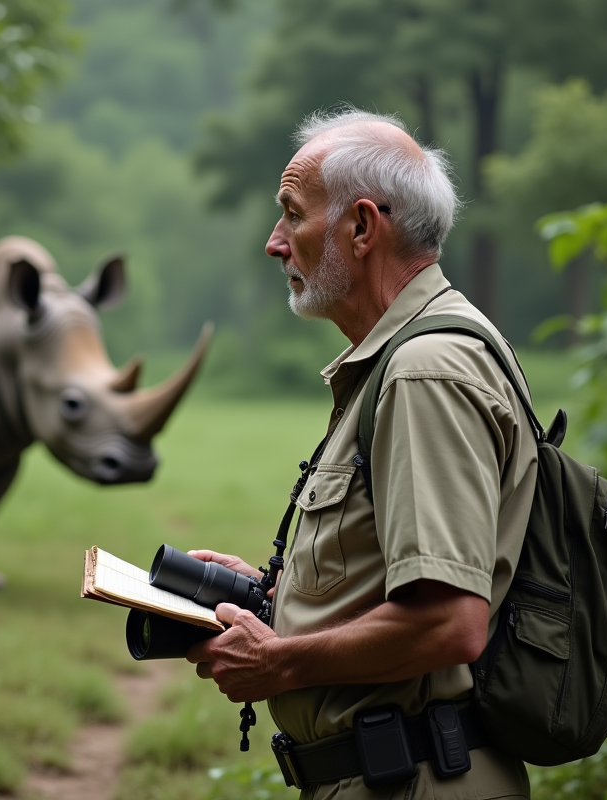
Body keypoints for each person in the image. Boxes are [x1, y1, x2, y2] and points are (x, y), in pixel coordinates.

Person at [185, 108, 539, 799]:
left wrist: (280, 662)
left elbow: (448, 621)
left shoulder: (424, 372)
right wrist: (279, 599)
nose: (274, 243)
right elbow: (396, 577)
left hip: (415, 778)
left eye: (292, 214)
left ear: (362, 227)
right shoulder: (407, 358)